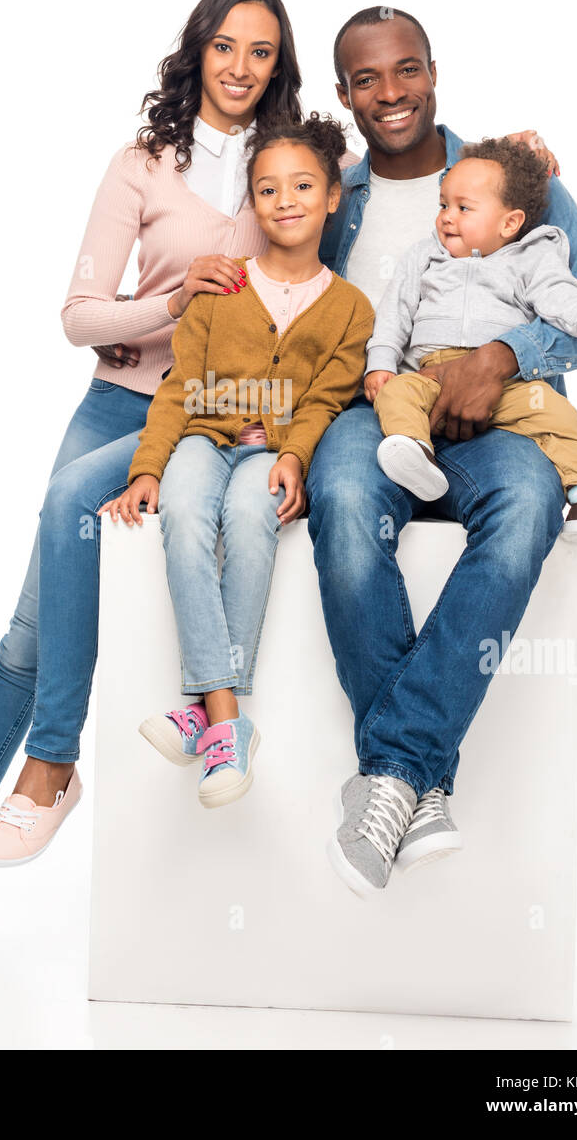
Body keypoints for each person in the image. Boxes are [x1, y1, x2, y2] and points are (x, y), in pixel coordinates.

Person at [0, 0, 304, 913]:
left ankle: (57, 765)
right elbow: (79, 315)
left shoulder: (292, 164)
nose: (239, 67)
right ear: (198, 49)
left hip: (221, 418)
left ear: (279, 66)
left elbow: (387, 193)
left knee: (101, 575)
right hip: (120, 406)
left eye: (260, 51)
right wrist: (170, 303)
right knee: (30, 626)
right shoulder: (142, 164)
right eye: (225, 45)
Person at [307, 7, 577, 897]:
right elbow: (280, 245)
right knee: (342, 502)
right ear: (343, 94)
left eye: (405, 70)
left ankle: (389, 775)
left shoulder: (515, 177)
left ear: (433, 71)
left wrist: (502, 357)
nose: (390, 93)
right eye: (365, 79)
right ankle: (420, 781)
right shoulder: (340, 194)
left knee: (527, 507)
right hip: (381, 405)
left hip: (503, 416)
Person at [99, 117, 374, 809]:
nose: (285, 200)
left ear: (333, 197)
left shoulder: (350, 309)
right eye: (267, 188)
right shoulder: (221, 289)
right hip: (199, 434)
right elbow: (178, 386)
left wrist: (293, 455)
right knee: (186, 512)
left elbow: (322, 401)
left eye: (303, 186)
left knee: (250, 514)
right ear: (251, 203)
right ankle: (227, 718)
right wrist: (146, 469)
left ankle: (201, 711)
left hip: (266, 454)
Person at [366, 137, 577, 544]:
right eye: (443, 205)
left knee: (556, 413)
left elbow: (564, 302)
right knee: (394, 396)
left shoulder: (532, 259)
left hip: (505, 388)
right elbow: (394, 315)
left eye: (464, 208)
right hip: (430, 378)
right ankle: (415, 453)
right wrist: (380, 364)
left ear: (510, 223)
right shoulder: (424, 258)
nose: (447, 218)